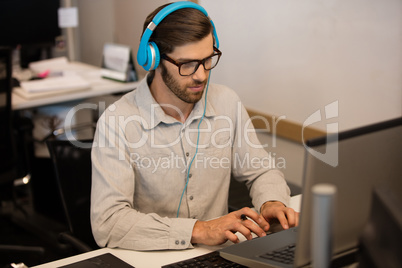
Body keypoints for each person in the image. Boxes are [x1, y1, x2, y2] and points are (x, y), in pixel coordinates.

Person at [90, 1, 299, 251]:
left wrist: (271, 202)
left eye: (208, 59)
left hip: (218, 254)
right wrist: (199, 230)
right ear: (153, 58)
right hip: (152, 258)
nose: (201, 75)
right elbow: (108, 222)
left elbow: (261, 170)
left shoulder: (226, 102)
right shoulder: (117, 122)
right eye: (187, 64)